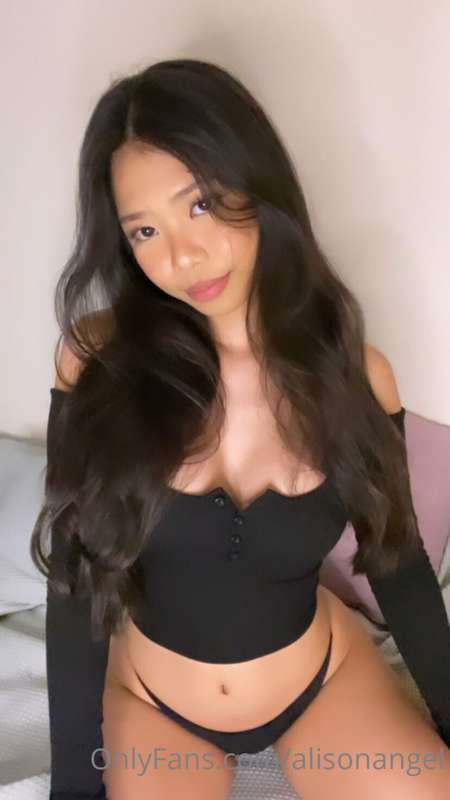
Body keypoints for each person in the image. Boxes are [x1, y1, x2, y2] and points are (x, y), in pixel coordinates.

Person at [31, 58, 450, 800]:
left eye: (200, 204)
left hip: (320, 681)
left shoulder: (355, 376)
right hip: (156, 702)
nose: (182, 255)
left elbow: (400, 566)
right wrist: (74, 786)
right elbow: (74, 581)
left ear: (256, 184)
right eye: (145, 230)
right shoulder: (98, 365)